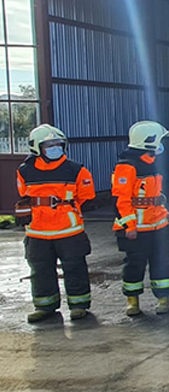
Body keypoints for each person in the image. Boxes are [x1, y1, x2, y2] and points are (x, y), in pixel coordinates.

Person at [17, 125, 95, 322]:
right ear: (36, 148)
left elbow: (86, 197)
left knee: (75, 268)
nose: (55, 147)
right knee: (40, 270)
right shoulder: (25, 171)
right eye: (49, 145)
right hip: (37, 232)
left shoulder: (76, 169)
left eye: (58, 144)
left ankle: (79, 305)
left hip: (69, 231)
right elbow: (24, 195)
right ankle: (44, 306)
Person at [112, 120, 169, 317]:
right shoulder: (127, 167)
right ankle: (132, 301)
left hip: (159, 224)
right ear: (150, 142)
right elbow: (121, 200)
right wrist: (129, 225)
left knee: (163, 261)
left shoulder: (152, 163)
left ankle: (163, 299)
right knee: (134, 264)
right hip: (136, 228)